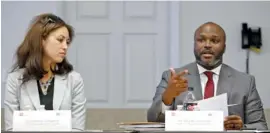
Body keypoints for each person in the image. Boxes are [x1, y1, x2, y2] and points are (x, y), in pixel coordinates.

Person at [147, 22, 268, 130]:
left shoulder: (245, 82)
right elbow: (152, 120)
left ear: (224, 47)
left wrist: (241, 127)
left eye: (215, 41)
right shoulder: (172, 77)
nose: (207, 45)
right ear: (194, 45)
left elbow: (260, 127)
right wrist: (168, 96)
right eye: (201, 40)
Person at [4, 13, 86, 131]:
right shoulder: (15, 79)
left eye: (67, 42)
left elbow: (78, 128)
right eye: (60, 40)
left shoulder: (74, 80)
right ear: (41, 40)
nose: (65, 47)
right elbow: (11, 128)